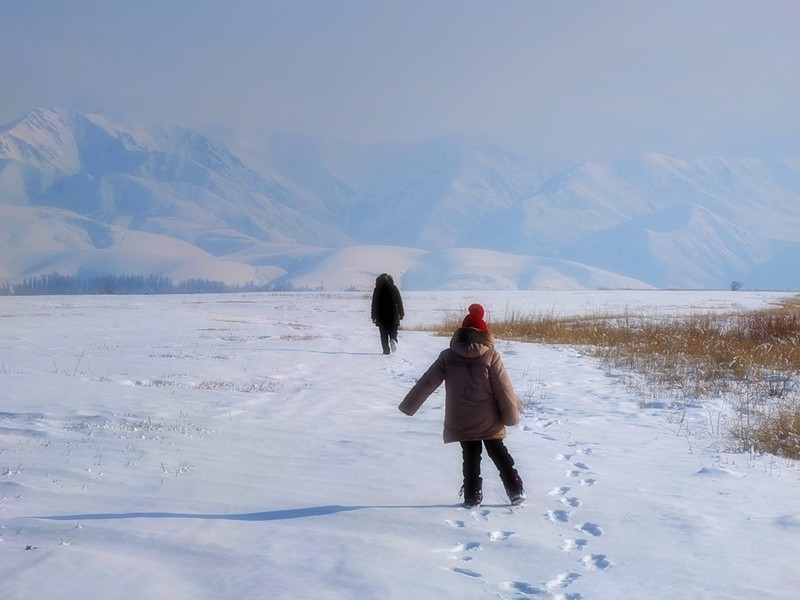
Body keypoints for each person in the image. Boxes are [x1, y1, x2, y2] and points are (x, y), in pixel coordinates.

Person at [398, 303, 525, 508]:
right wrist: (510, 417)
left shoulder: (447, 356)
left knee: (470, 455)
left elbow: (427, 382)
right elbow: (504, 389)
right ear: (484, 334)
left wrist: (409, 405)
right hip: (489, 418)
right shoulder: (491, 355)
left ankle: (472, 494)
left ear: (460, 333)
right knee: (498, 451)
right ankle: (514, 489)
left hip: (462, 418)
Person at [371, 273, 404, 355]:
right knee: (393, 330)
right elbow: (399, 301)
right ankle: (393, 339)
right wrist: (401, 313)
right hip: (393, 314)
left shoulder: (377, 289)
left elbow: (374, 304)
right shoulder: (394, 288)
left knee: (383, 334)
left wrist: (373, 316)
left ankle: (386, 350)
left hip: (381, 315)